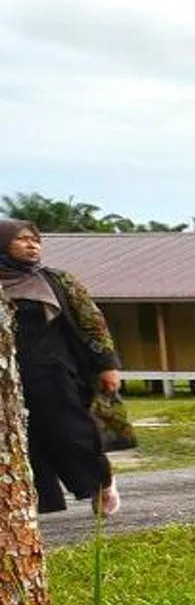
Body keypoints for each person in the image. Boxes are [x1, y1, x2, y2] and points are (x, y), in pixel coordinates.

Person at [2, 219, 124, 517]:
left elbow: (92, 322)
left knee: (68, 430)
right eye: (22, 239)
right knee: (24, 439)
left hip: (55, 369)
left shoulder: (58, 280)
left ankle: (100, 481)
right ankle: (36, 503)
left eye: (36, 240)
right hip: (8, 375)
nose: (32, 245)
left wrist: (107, 364)